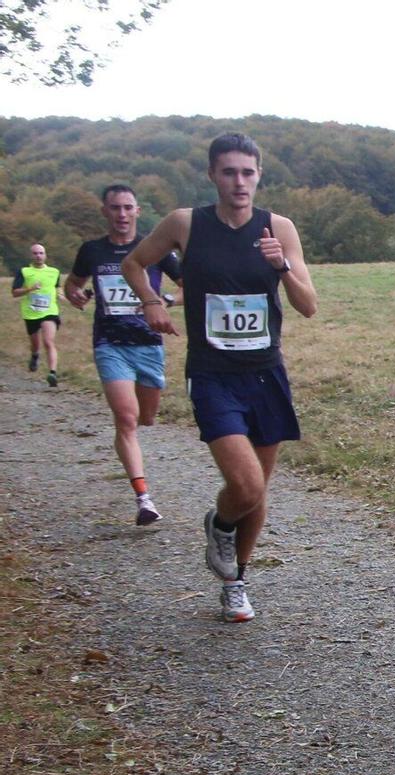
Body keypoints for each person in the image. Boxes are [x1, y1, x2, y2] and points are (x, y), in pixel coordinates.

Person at [123, 133, 318, 623]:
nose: (239, 182)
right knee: (245, 485)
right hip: (213, 374)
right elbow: (134, 262)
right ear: (212, 174)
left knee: (259, 493)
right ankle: (220, 522)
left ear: (259, 176)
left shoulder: (279, 228)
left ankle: (236, 580)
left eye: (248, 173)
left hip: (266, 373)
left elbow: (308, 305)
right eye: (229, 172)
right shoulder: (186, 224)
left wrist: (284, 266)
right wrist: (150, 302)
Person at [65, 184, 182, 525]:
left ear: (137, 211)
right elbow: (71, 283)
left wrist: (163, 302)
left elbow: (191, 286)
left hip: (148, 344)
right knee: (127, 418)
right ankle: (143, 497)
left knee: (146, 417)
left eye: (127, 208)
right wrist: (74, 294)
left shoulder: (155, 250)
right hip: (109, 344)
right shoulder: (92, 251)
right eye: (115, 208)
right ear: (105, 211)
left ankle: (139, 453)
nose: (121, 215)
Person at [12, 244, 62, 385]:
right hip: (31, 313)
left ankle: (52, 373)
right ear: (31, 256)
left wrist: (63, 296)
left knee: (48, 341)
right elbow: (15, 292)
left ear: (45, 255)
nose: (38, 256)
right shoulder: (24, 271)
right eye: (35, 253)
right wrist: (30, 289)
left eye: (41, 253)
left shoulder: (54, 272)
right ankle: (34, 355)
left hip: (49, 311)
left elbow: (57, 289)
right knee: (35, 344)